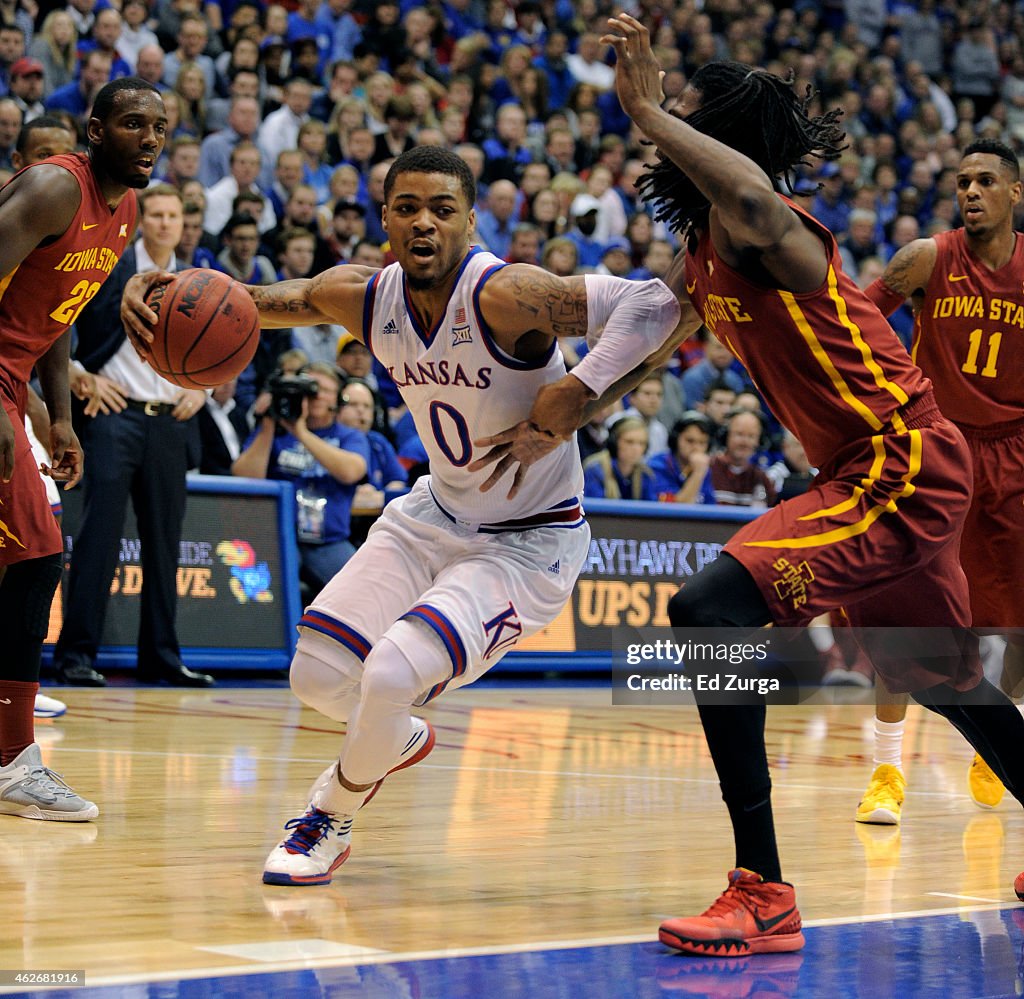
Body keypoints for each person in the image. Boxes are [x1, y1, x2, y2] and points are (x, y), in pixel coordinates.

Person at [525, 16, 1024, 957]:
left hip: (900, 457)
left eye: (694, 122)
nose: (676, 134)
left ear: (724, 146)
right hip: (876, 468)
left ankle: (763, 889)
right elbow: (657, 329)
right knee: (946, 678)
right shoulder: (710, 250)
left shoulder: (770, 226)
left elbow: (747, 188)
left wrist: (645, 111)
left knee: (710, 606)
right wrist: (577, 400)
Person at [120, 145, 682, 886]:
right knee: (317, 676)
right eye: (408, 207)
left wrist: (575, 393)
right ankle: (396, 735)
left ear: (471, 220)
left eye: (443, 209)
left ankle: (330, 813)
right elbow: (258, 300)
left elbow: (656, 304)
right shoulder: (364, 295)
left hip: (527, 542)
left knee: (388, 672)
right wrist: (158, 292)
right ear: (385, 218)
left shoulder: (508, 294)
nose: (425, 222)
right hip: (433, 514)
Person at [0, 76, 164, 822]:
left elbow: (55, 310)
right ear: (94, 131)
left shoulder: (123, 212)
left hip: (16, 384)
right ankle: (11, 762)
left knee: (28, 560)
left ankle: (10, 757)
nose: (150, 138)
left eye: (159, 128)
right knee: (34, 557)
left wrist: (59, 417)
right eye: (133, 124)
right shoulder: (49, 189)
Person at [856, 138, 1024, 824]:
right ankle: (886, 770)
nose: (972, 191)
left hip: (1012, 454)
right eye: (963, 182)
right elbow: (855, 321)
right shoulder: (927, 257)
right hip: (938, 449)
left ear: (1016, 192)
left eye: (986, 180)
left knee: (1015, 625)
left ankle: (998, 746)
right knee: (905, 617)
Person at [54, 182, 214, 690]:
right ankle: (77, 655)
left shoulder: (196, 281)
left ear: (186, 223)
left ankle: (162, 658)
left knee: (165, 544)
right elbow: (62, 324)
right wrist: (81, 373)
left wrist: (205, 390)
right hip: (115, 414)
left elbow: (215, 347)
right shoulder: (113, 269)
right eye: (158, 214)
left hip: (169, 420)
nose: (167, 222)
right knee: (100, 538)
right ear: (142, 219)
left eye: (175, 215)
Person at [232, 361, 370, 594]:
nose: (315, 396)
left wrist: (301, 432)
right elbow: (244, 477)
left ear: (338, 400)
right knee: (264, 590)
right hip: (278, 538)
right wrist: (268, 425)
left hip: (329, 541)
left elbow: (351, 471)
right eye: (308, 389)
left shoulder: (349, 436)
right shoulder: (275, 432)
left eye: (323, 391)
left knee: (361, 592)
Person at [582, 414, 657, 500]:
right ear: (614, 443)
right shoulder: (595, 469)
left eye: (641, 443)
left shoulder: (646, 474)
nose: (636, 449)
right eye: (629, 442)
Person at [648, 411, 715, 504]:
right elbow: (674, 510)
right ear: (675, 439)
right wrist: (698, 473)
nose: (696, 448)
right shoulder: (657, 466)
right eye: (690, 441)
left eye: (702, 443)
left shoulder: (704, 468)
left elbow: (711, 509)